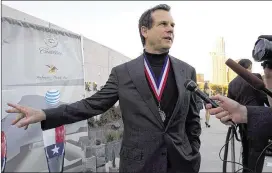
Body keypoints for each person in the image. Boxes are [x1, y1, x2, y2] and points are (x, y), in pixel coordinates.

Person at [6, 4, 201, 173]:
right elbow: (92, 105)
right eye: (163, 24)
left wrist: (193, 151)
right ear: (144, 30)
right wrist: (44, 113)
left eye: (172, 25)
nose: (170, 29)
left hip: (180, 163)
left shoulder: (187, 71)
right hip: (139, 164)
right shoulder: (123, 73)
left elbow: (192, 119)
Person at [227, 59, 269, 173]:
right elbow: (264, 97)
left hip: (242, 122)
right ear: (249, 67)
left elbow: (229, 103)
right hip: (257, 120)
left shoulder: (232, 83)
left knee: (245, 149)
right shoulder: (254, 77)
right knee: (257, 154)